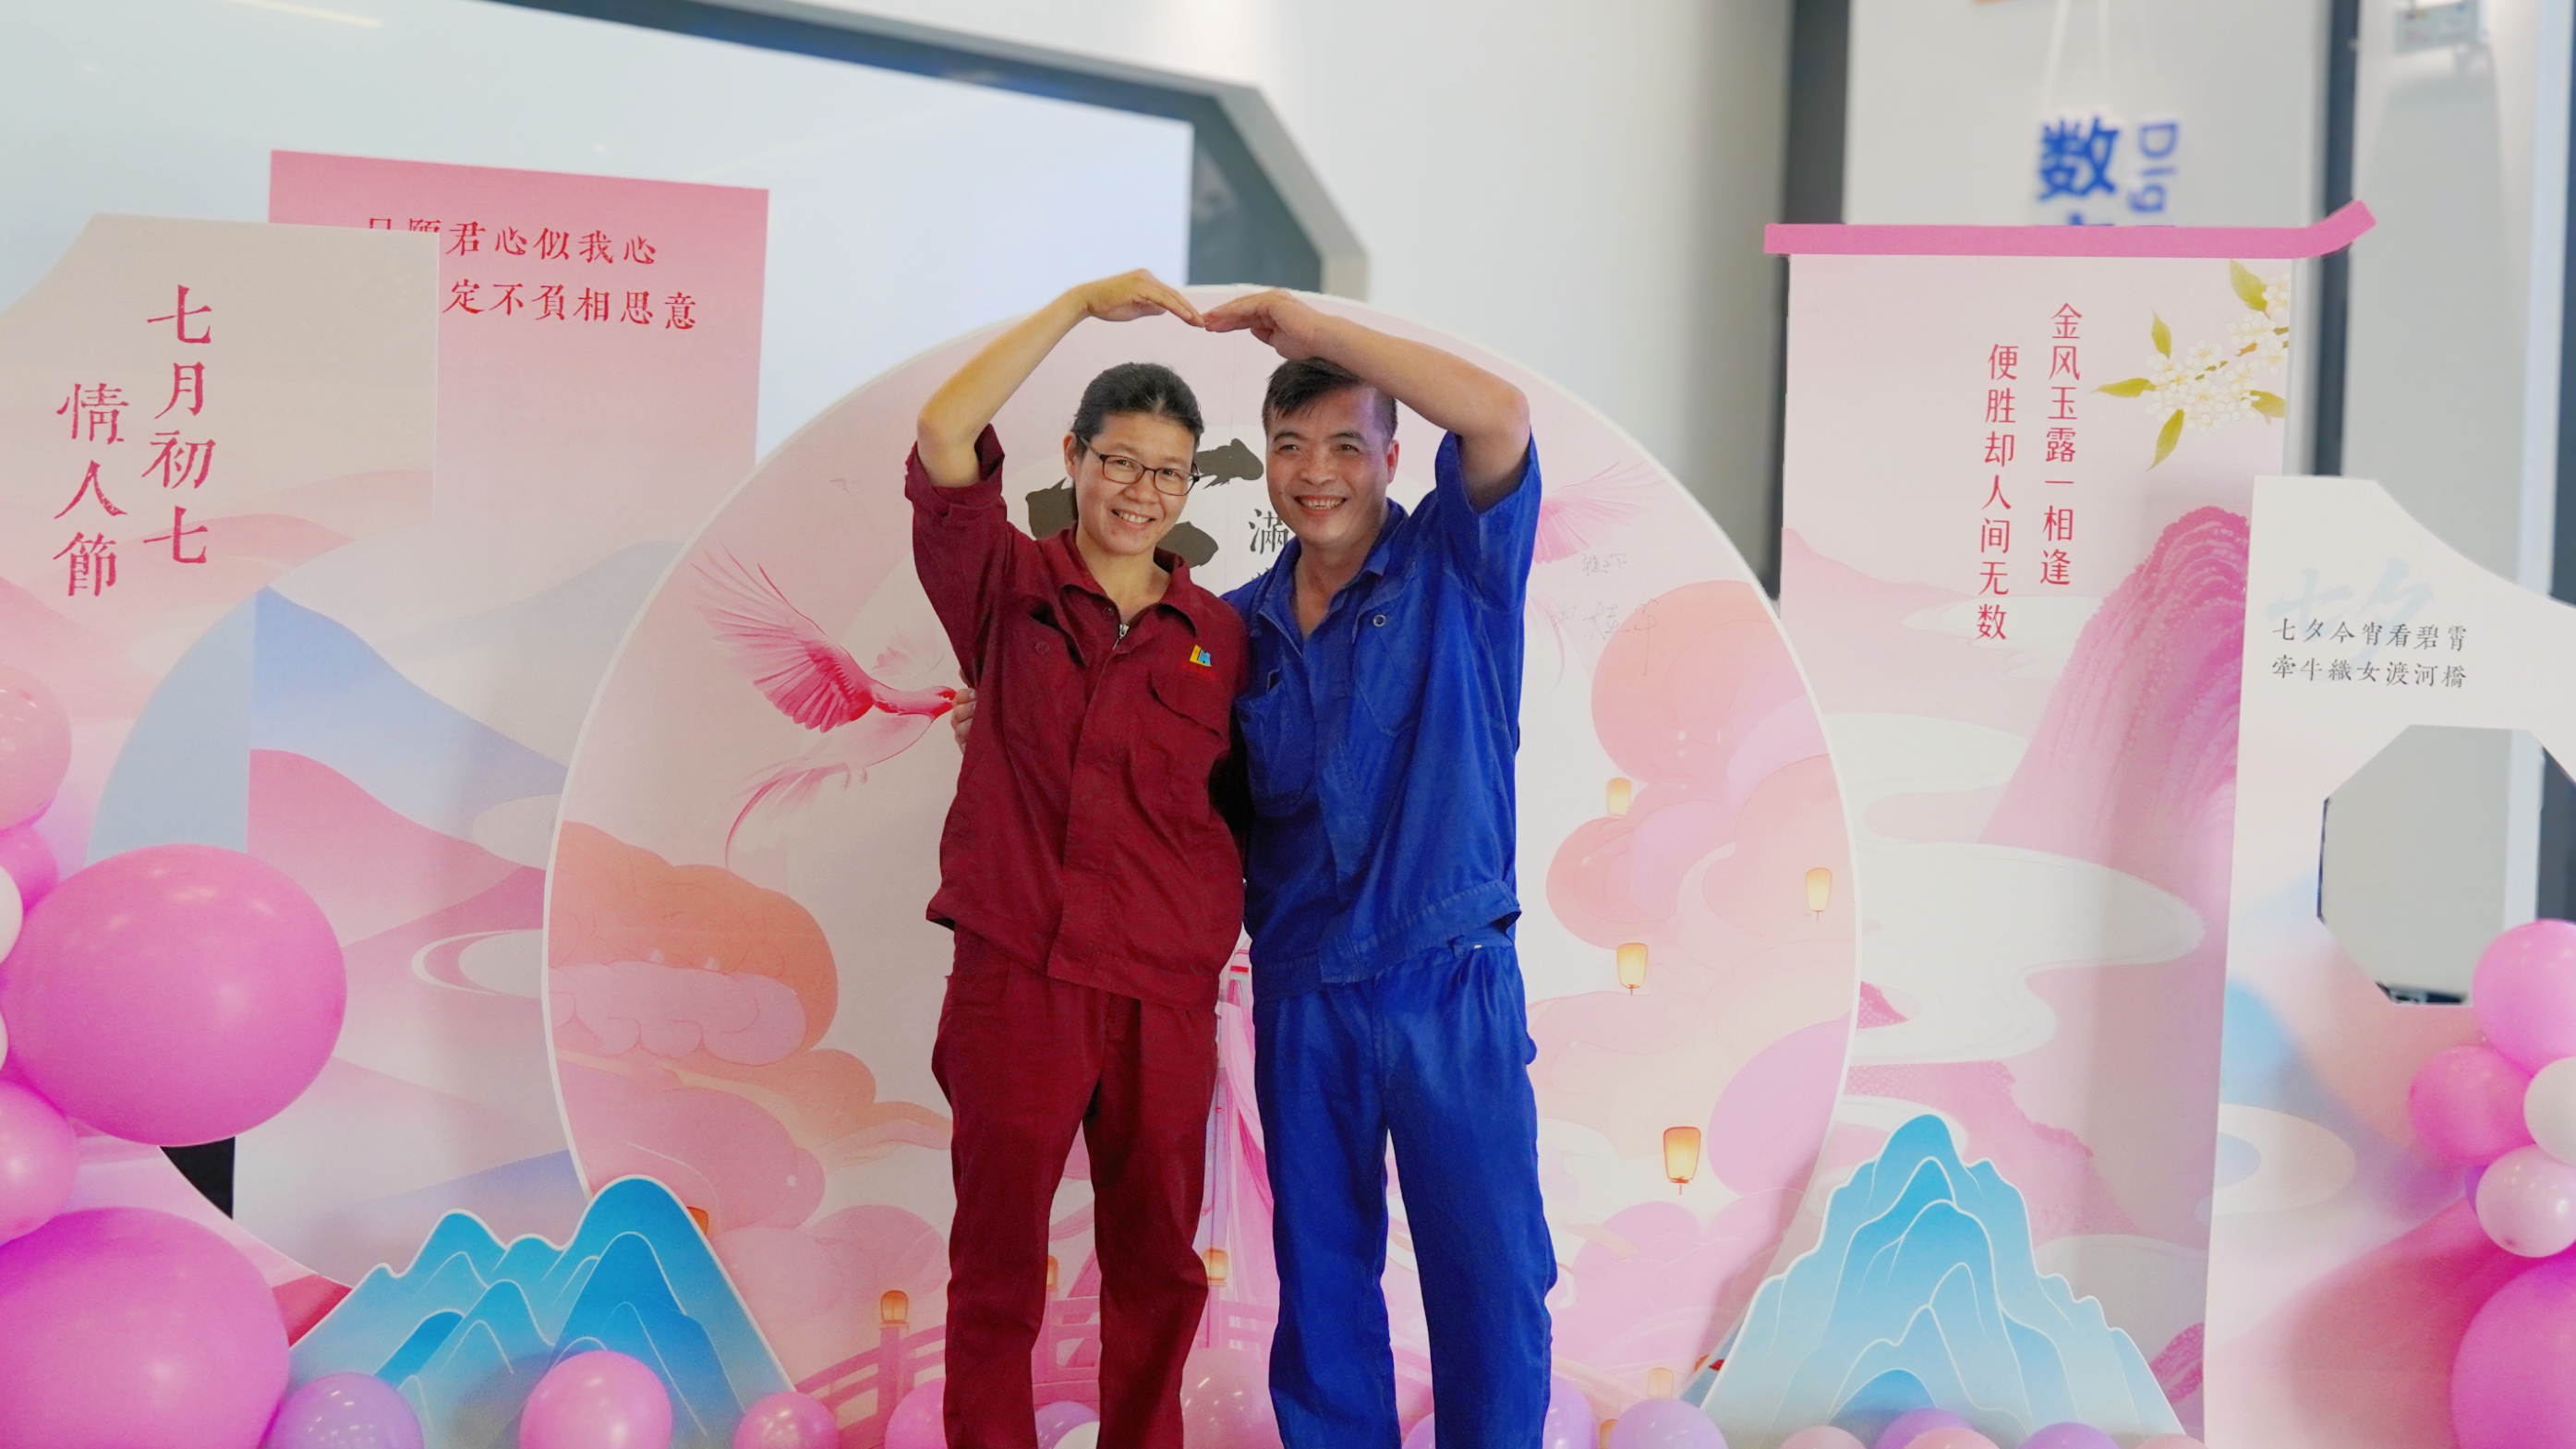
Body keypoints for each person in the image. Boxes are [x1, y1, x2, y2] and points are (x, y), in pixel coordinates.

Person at [1198, 288, 1552, 1448]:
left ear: (1393, 457)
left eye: (1346, 445)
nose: (1316, 473)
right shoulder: (1234, 631)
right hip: (1304, 991)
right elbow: (1170, 788)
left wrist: (1316, 332)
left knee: (1488, 1278)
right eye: (1288, 446)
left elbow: (1499, 416)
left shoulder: (1458, 564)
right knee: (1322, 1288)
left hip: (1445, 976)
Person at [908, 270, 1248, 1449]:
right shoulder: (1004, 586)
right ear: (1073, 457)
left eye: (1168, 473)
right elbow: (943, 431)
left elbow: (1244, 809)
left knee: (1157, 1272)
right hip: (1019, 976)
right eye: (1119, 462)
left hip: (1162, 996)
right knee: (995, 1266)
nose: (1141, 492)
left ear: (1188, 487)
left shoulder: (1220, 638)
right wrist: (1072, 308)